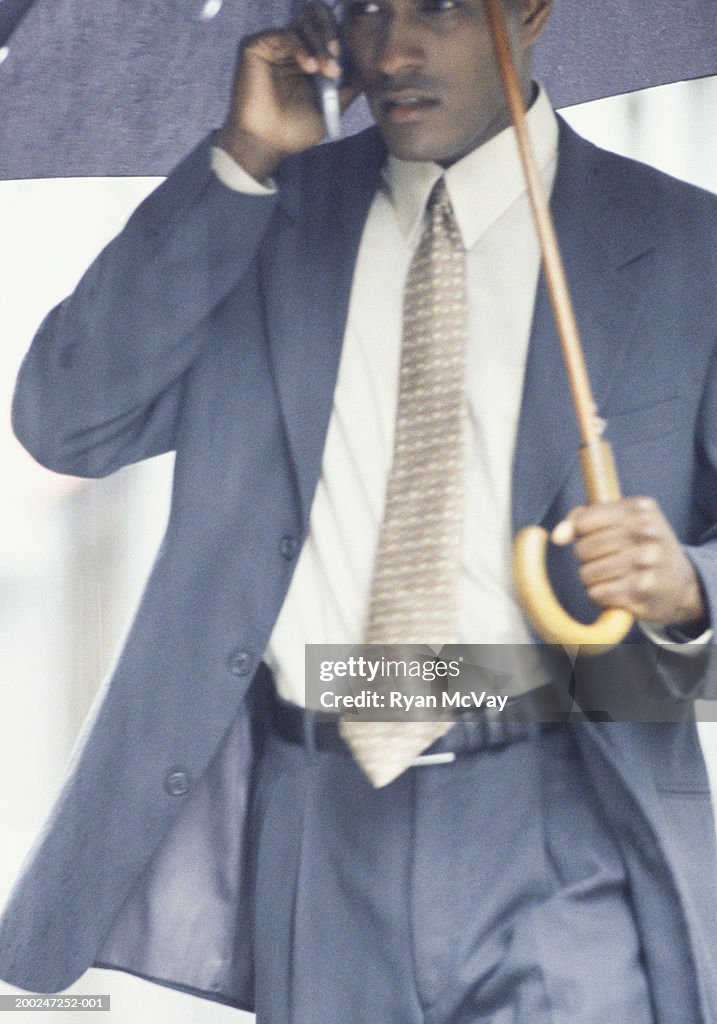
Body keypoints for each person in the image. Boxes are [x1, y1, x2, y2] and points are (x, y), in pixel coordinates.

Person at [2, 0, 717, 1019]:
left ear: (530, 10)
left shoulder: (687, 244)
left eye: (435, 7)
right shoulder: (266, 213)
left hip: (567, 814)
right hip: (322, 819)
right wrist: (241, 160)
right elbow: (64, 419)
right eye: (367, 7)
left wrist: (689, 584)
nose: (391, 50)